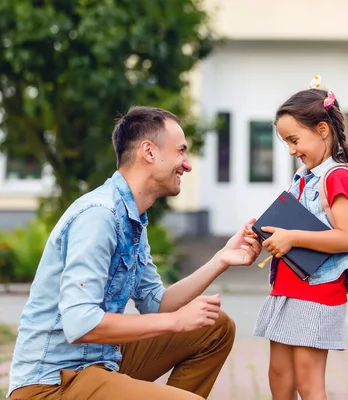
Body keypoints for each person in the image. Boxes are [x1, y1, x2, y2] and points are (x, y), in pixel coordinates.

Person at [7, 106, 262, 400]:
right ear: (149, 152)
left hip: (98, 363)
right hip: (52, 384)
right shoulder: (99, 216)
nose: (187, 164)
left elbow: (157, 304)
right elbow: (81, 323)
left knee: (215, 328)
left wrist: (221, 260)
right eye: (180, 151)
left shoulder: (132, 218)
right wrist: (176, 322)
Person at [251, 76, 348, 400]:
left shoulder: (338, 176)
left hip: (316, 292)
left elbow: (346, 238)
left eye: (294, 139)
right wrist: (265, 232)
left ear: (322, 130)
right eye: (285, 142)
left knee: (308, 383)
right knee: (279, 377)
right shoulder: (305, 177)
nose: (290, 150)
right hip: (289, 287)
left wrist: (291, 238)